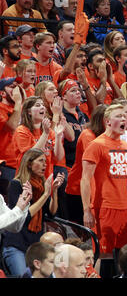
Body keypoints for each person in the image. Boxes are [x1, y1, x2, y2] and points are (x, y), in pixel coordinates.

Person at [81, 104, 127, 258]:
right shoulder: (97, 145)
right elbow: (85, 180)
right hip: (104, 207)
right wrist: (86, 211)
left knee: (124, 256)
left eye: (124, 116)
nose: (123, 119)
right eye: (118, 116)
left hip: (124, 207)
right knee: (104, 256)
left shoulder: (124, 145)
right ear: (108, 121)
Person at [1, 148, 64, 276]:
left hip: (35, 244)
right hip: (17, 244)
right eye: (40, 161)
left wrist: (54, 190)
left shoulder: (41, 185)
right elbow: (23, 216)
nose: (45, 165)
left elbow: (51, 212)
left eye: (45, 162)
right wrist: (46, 194)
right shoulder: (17, 184)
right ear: (29, 164)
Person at [65, 104, 106, 225]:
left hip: (96, 190)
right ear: (101, 120)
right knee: (81, 229)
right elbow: (97, 162)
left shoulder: (107, 137)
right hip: (78, 189)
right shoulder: (88, 135)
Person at [0, 78, 25, 192]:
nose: (16, 90)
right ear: (2, 93)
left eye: (17, 86)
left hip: (21, 166)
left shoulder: (19, 109)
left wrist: (22, 102)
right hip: (6, 166)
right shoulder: (1, 108)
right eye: (11, 86)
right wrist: (19, 102)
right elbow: (11, 127)